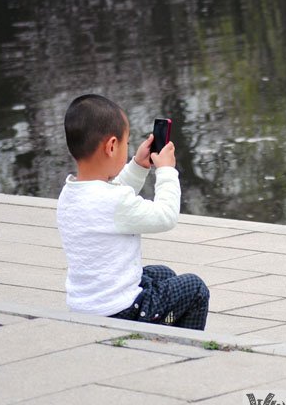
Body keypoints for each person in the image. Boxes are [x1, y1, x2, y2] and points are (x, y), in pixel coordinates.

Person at [57, 94, 209, 330]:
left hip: (87, 306)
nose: (127, 150)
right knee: (195, 289)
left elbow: (112, 199)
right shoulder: (113, 200)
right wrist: (167, 171)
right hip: (123, 312)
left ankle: (163, 321)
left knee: (162, 274)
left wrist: (138, 165)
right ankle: (174, 337)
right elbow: (165, 216)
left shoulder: (71, 193)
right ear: (111, 146)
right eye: (126, 144)